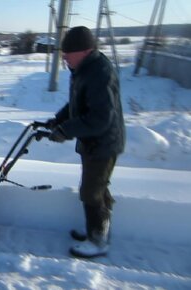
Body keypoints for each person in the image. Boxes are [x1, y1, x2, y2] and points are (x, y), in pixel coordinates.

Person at [47, 26, 125, 258]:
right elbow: (77, 105)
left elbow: (99, 118)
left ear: (85, 51)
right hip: (95, 142)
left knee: (91, 191)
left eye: (67, 54)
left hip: (103, 143)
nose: (64, 58)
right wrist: (58, 120)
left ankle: (98, 240)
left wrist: (65, 130)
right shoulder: (84, 69)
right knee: (97, 187)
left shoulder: (98, 73)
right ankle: (98, 230)